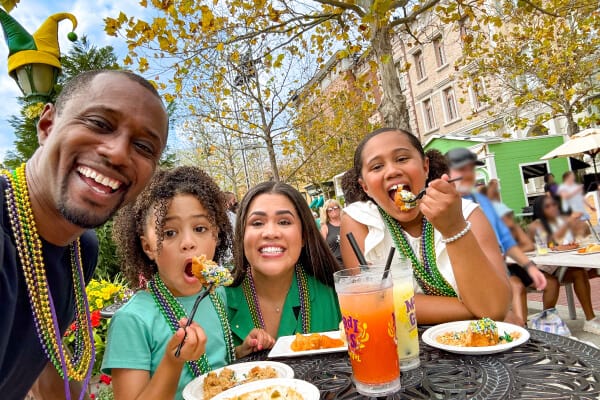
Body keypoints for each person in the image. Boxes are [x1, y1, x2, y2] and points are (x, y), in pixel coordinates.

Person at [0, 70, 168, 400]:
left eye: (143, 146)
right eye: (99, 123)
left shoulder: (80, 249)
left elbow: (44, 359)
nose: (118, 153)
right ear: (47, 126)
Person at [341, 128, 511, 324]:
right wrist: (474, 309)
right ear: (365, 187)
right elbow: (373, 302)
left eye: (402, 158)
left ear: (425, 167)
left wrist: (454, 228)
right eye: (377, 167)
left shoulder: (468, 214)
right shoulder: (359, 221)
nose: (392, 171)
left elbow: (494, 308)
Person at [103, 166, 239, 400]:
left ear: (215, 236)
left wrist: (241, 351)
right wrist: (172, 362)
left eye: (200, 228)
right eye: (169, 233)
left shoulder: (217, 295)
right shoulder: (133, 320)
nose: (188, 243)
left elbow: (213, 366)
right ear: (148, 247)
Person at [226, 181, 342, 358]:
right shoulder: (216, 303)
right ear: (242, 236)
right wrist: (238, 355)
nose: (271, 233)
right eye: (257, 223)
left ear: (303, 236)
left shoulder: (337, 296)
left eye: (284, 222)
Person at [446, 148, 547, 326]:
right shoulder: (444, 205)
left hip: (499, 268)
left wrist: (530, 266)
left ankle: (521, 334)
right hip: (466, 275)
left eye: (471, 169)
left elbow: (506, 241)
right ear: (446, 174)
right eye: (462, 170)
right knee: (515, 289)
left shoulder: (482, 201)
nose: (468, 175)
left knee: (522, 286)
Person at [529, 196, 600, 334]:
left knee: (579, 272)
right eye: (548, 206)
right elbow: (545, 245)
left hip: (557, 267)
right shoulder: (536, 225)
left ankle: (590, 320)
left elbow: (575, 237)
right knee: (552, 282)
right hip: (539, 269)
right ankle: (546, 321)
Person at [493, 202, 560, 326]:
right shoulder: (487, 231)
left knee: (551, 283)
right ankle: (523, 329)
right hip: (501, 271)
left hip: (519, 267)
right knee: (518, 288)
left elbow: (529, 245)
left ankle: (546, 321)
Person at [320, 199, 344, 266]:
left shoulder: (346, 223)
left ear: (339, 209)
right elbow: (321, 247)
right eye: (330, 210)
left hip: (351, 260)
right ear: (326, 212)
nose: (333, 210)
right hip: (336, 264)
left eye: (335, 208)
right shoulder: (325, 227)